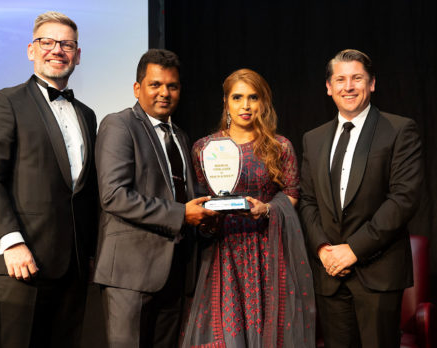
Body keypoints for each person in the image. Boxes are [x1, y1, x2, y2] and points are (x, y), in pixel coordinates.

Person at [0, 11, 98, 348]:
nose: (57, 50)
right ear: (31, 50)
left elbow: (83, 192)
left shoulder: (87, 114)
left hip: (72, 269)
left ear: (78, 55)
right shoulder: (5, 101)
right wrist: (10, 243)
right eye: (48, 42)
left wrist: (88, 250)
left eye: (67, 44)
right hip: (20, 265)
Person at [94, 48, 218, 347]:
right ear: (138, 88)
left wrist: (210, 212)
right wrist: (181, 215)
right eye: (155, 85)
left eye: (172, 86)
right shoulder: (119, 125)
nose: (164, 93)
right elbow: (114, 196)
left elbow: (184, 195)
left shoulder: (180, 136)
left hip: (175, 272)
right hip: (130, 274)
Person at [182, 68, 315, 347]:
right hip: (222, 252)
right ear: (226, 102)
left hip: (268, 250)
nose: (245, 105)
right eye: (237, 97)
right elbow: (200, 198)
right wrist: (209, 219)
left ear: (263, 102)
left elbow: (291, 193)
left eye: (253, 97)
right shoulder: (203, 148)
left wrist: (267, 209)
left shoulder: (279, 147)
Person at [299, 49, 423, 348]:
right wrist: (323, 249)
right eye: (340, 79)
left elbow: (402, 199)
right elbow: (307, 201)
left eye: (357, 78)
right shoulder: (312, 139)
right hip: (330, 275)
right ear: (328, 87)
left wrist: (353, 249)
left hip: (377, 274)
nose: (348, 86)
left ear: (372, 84)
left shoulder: (399, 130)